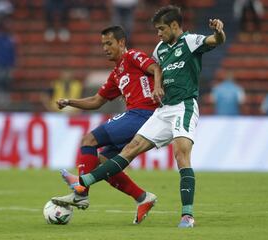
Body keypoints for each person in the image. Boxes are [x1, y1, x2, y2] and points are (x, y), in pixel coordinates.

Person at [74, 5, 226, 228]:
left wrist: (219, 31)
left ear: (175, 25)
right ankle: (85, 182)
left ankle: (187, 215)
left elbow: (216, 41)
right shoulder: (161, 49)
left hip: (184, 106)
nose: (159, 33)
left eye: (162, 29)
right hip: (162, 110)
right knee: (130, 148)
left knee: (181, 154)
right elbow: (154, 69)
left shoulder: (190, 41)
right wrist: (148, 88)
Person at [51, 26, 162, 224]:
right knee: (104, 163)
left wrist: (158, 88)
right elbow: (96, 101)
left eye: (109, 43)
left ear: (121, 42)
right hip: (137, 116)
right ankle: (143, 198)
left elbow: (155, 68)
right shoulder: (116, 74)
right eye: (103, 44)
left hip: (143, 114)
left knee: (89, 139)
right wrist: (70, 101)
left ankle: (81, 193)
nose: (105, 48)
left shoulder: (133, 56)